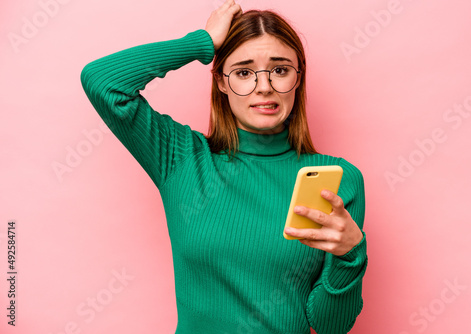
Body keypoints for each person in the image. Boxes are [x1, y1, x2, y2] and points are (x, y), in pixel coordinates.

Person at [80, 0, 367, 333]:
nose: (265, 86)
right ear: (221, 81)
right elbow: (103, 82)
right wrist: (202, 42)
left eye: (280, 69)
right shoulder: (181, 157)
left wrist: (351, 255)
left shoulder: (340, 181)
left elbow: (333, 325)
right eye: (244, 72)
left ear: (298, 77)